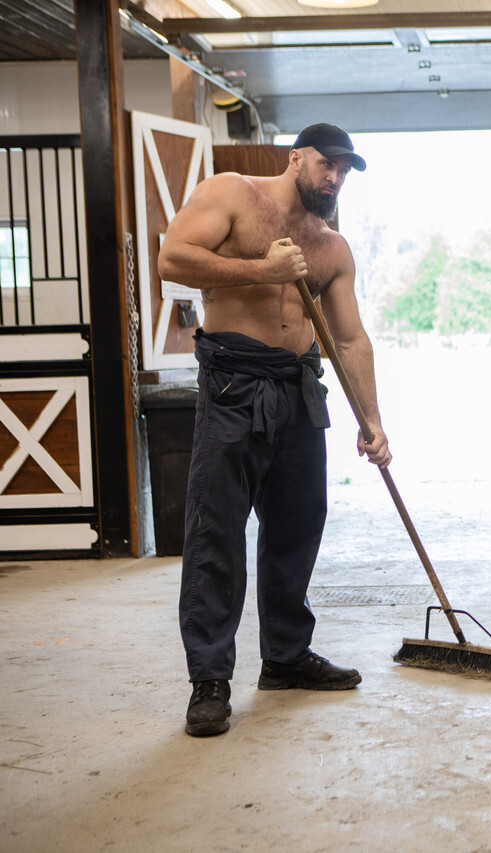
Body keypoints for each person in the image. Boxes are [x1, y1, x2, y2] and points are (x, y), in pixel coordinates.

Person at [157, 123, 390, 738]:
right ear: (296, 159)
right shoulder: (231, 193)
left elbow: (348, 337)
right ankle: (209, 679)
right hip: (234, 385)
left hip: (297, 388)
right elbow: (171, 259)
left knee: (298, 524)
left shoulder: (331, 247)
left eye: (344, 171)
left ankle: (285, 657)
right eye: (327, 165)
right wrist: (262, 270)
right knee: (217, 535)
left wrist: (372, 419)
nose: (335, 178)